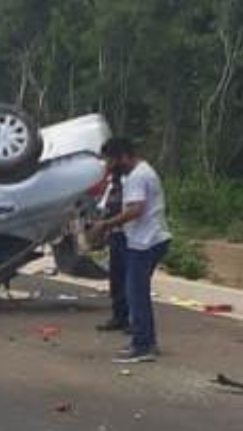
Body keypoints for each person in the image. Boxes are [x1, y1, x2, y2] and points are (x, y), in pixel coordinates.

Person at [93, 137, 170, 363]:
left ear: (124, 156)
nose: (109, 165)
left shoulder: (137, 176)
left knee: (136, 295)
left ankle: (143, 345)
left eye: (111, 160)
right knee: (137, 293)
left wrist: (106, 225)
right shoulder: (143, 172)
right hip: (148, 240)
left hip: (145, 242)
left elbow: (135, 210)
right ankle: (146, 341)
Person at [94, 166, 129, 333]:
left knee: (127, 280)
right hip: (114, 235)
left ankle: (129, 318)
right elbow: (103, 208)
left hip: (127, 236)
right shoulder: (111, 186)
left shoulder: (128, 183)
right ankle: (118, 316)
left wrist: (106, 225)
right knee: (116, 279)